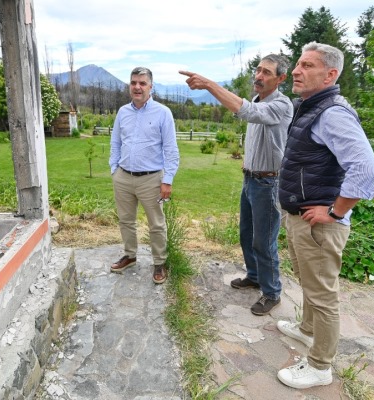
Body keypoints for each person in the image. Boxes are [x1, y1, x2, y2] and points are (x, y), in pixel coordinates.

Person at [275, 42, 374, 389]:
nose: (295, 71)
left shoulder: (332, 112)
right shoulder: (310, 108)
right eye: (298, 65)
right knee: (310, 283)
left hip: (319, 224)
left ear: (330, 74)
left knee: (322, 295)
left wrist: (335, 212)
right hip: (301, 217)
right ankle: (307, 331)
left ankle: (320, 366)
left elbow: (365, 168)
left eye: (307, 65)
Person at [179, 54, 293, 315]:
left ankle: (272, 292)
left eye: (266, 72)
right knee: (246, 235)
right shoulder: (257, 98)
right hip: (251, 178)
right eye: (258, 70)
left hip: (268, 182)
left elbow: (247, 112)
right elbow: (248, 111)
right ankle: (254, 276)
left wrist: (209, 85)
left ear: (281, 78)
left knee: (264, 242)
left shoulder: (281, 105)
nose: (259, 76)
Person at [108, 67, 180, 284]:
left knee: (156, 224)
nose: (137, 87)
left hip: (151, 179)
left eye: (142, 83)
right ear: (130, 85)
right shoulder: (123, 112)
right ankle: (129, 256)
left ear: (151, 86)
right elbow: (116, 143)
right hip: (123, 177)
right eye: (134, 83)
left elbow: (171, 150)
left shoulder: (162, 113)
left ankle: (159, 262)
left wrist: (167, 180)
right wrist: (114, 170)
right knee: (125, 220)